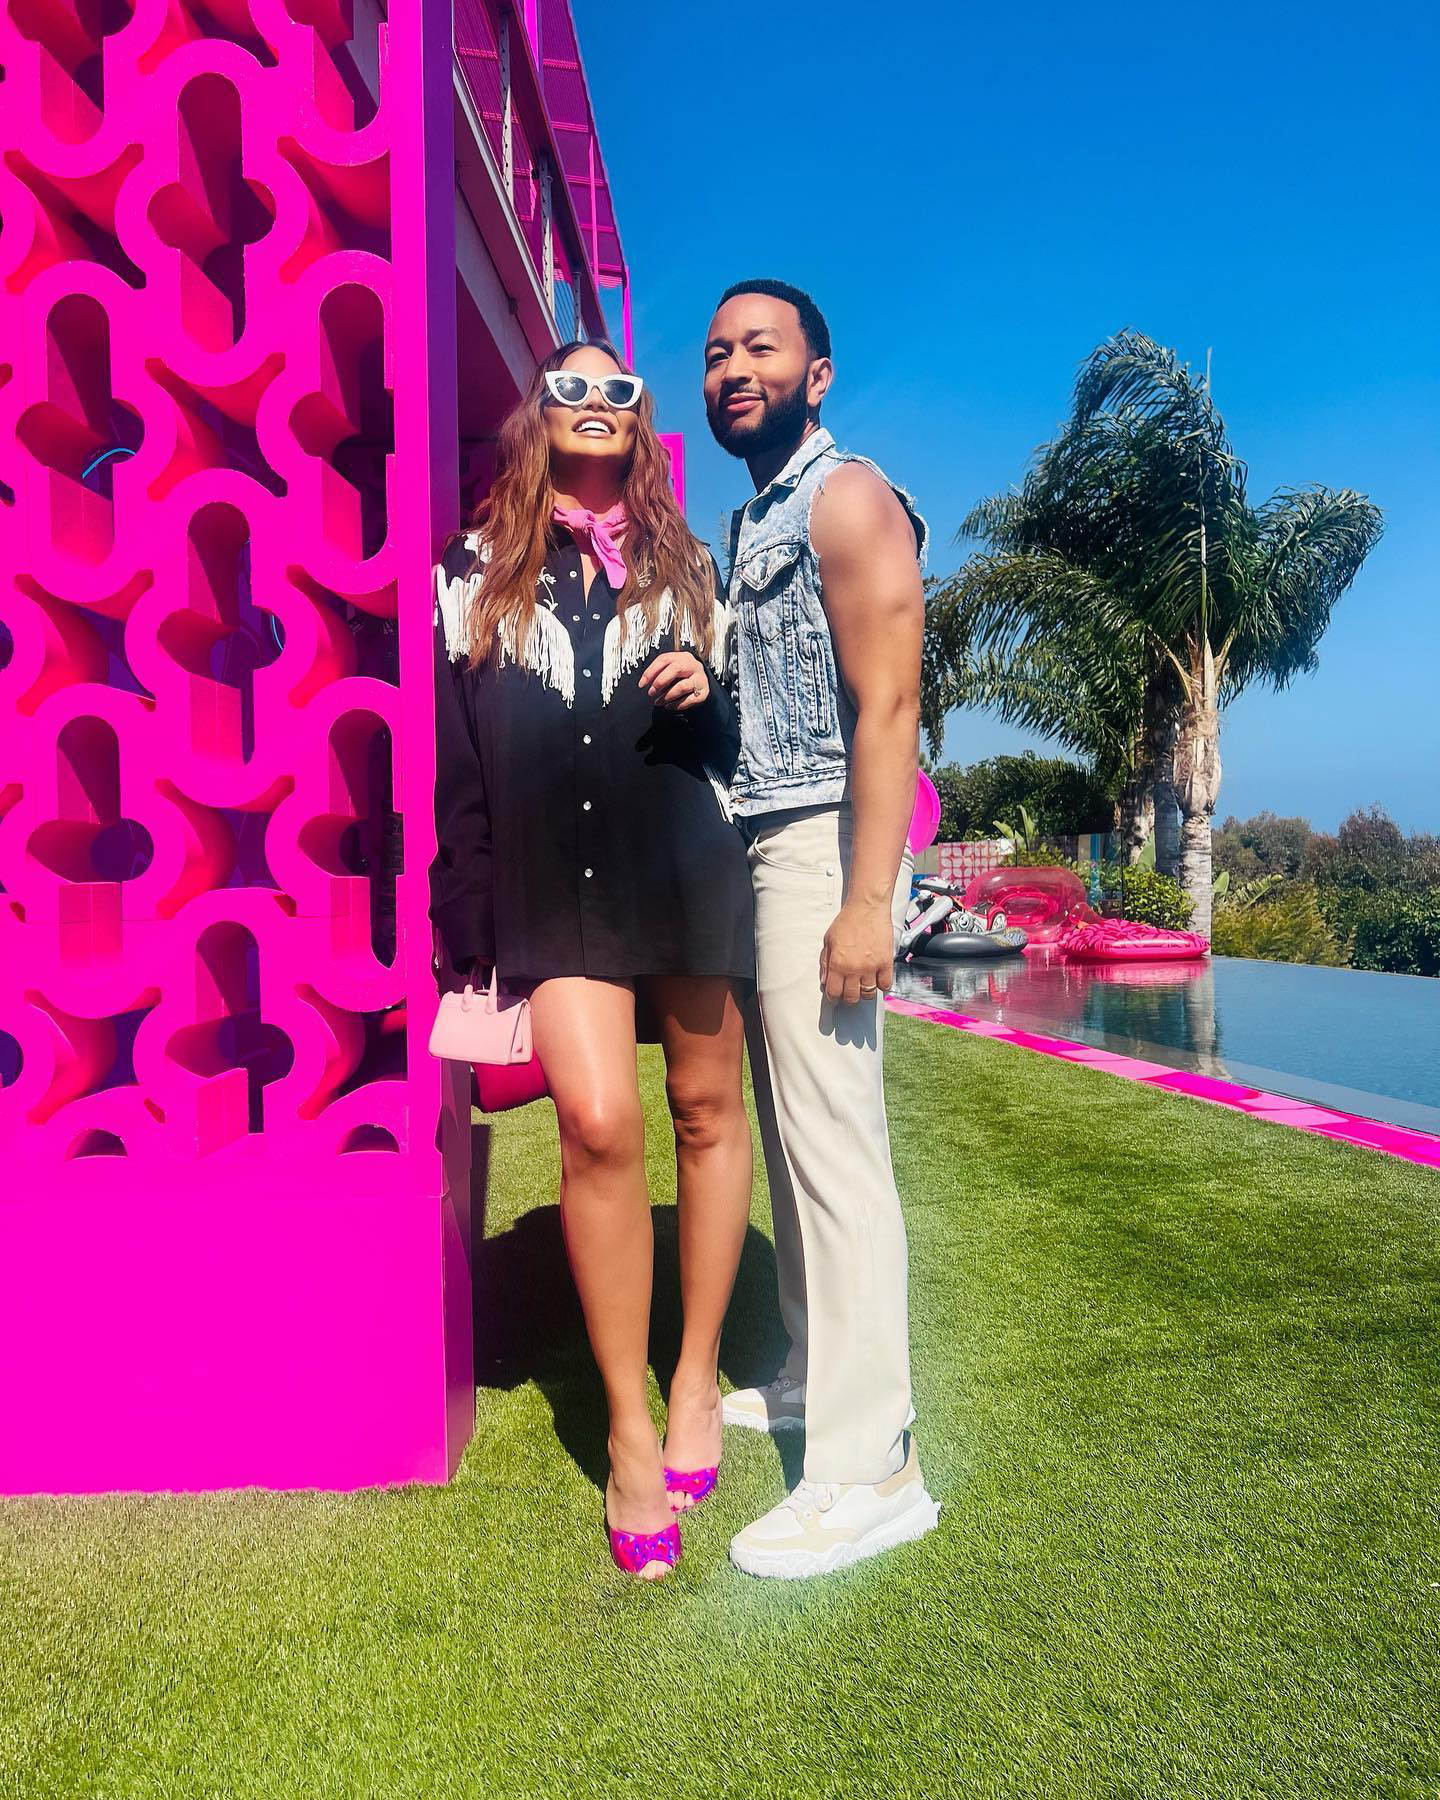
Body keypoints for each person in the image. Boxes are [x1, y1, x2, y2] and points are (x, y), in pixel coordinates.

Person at [430, 341, 754, 1580]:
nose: (597, 403)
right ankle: (627, 1424)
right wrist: (465, 917)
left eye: (619, 391)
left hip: (683, 864)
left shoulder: (690, 566)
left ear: (640, 422)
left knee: (707, 1110)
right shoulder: (468, 572)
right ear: (539, 416)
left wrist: (704, 693)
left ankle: (694, 1376)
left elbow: (734, 748)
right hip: (551, 887)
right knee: (601, 1126)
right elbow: (458, 761)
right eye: (571, 387)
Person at [702, 279, 940, 1578]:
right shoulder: (753, 517)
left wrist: (864, 896)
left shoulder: (846, 499)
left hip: (823, 845)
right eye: (717, 352)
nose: (735, 368)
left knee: (836, 1149)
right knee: (796, 1139)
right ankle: (810, 1377)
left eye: (761, 347)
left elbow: (890, 703)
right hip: (764, 843)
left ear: (819, 372)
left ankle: (874, 1468)